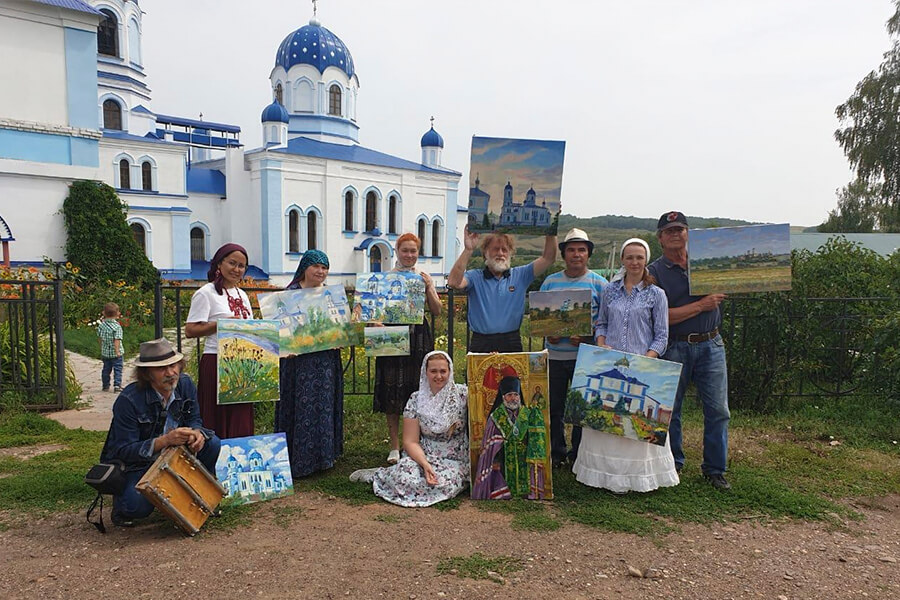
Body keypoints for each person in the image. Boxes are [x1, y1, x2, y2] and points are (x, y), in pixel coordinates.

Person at [572, 238, 678, 493]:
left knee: (635, 419)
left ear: (646, 260)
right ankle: (602, 477)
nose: (634, 262)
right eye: (629, 257)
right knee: (605, 417)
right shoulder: (610, 290)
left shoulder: (656, 295)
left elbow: (662, 335)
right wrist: (601, 344)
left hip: (641, 365)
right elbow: (602, 324)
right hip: (611, 363)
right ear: (622, 260)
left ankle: (636, 479)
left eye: (639, 257)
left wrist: (646, 360)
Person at [648, 211, 731, 490]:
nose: (675, 234)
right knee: (671, 411)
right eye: (669, 230)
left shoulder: (707, 262)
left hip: (711, 343)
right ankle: (673, 463)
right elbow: (659, 317)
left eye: (680, 229)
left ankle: (715, 469)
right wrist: (701, 306)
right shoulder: (653, 273)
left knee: (718, 409)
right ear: (660, 238)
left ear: (688, 234)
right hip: (675, 345)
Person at [99, 338, 220, 527]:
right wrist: (164, 441)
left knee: (212, 442)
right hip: (141, 464)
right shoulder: (128, 400)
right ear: (147, 374)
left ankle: (202, 494)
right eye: (161, 368)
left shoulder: (185, 384)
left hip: (178, 454)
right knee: (136, 507)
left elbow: (195, 419)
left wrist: (196, 433)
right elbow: (121, 451)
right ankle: (122, 503)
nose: (171, 373)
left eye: (174, 366)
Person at [352, 351, 469, 507]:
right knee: (405, 477)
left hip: (453, 458)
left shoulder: (463, 395)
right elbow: (410, 441)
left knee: (442, 482)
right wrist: (425, 465)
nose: (438, 376)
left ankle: (391, 475)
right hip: (422, 454)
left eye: (443, 371)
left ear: (450, 371)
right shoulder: (416, 399)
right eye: (433, 371)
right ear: (425, 372)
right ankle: (381, 475)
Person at [539, 228, 607, 467]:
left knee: (582, 409)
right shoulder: (550, 282)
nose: (576, 254)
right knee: (554, 407)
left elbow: (605, 322)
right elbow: (540, 317)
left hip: (585, 357)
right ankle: (557, 453)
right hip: (555, 356)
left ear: (588, 254)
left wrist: (588, 337)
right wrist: (549, 333)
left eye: (581, 250)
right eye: (571, 250)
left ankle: (579, 454)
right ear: (564, 254)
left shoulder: (600, 284)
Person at [372, 233, 441, 464]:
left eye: (413, 251)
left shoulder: (422, 278)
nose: (409, 255)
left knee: (417, 388)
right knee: (391, 389)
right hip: (391, 335)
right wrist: (376, 322)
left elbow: (437, 309)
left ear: (418, 253)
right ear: (397, 251)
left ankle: (415, 443)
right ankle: (394, 446)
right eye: (405, 251)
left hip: (418, 336)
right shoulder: (385, 279)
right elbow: (373, 311)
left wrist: (430, 287)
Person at [274, 249, 344, 478]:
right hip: (297, 363)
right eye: (316, 266)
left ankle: (323, 457)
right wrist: (286, 344)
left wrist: (340, 337)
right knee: (299, 404)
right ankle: (298, 457)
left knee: (323, 404)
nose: (321, 271)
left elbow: (337, 324)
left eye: (325, 267)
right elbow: (281, 327)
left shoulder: (330, 295)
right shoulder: (290, 294)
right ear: (305, 267)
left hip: (324, 361)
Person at [447, 226, 557, 353]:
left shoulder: (521, 275)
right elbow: (453, 282)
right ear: (485, 253)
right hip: (481, 343)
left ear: (510, 253)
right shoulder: (474, 276)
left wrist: (551, 229)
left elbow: (549, 258)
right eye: (495, 249)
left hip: (511, 341)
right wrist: (468, 249)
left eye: (504, 249)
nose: (500, 253)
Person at [185, 243, 254, 438]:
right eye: (232, 263)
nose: (236, 269)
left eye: (241, 266)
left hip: (243, 364)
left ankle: (238, 462)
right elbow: (190, 330)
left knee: (240, 416)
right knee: (218, 416)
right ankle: (214, 461)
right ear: (219, 264)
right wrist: (219, 324)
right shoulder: (206, 293)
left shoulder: (243, 295)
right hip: (217, 361)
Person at [472, 375, 548, 500]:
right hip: (503, 458)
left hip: (524, 457)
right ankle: (504, 492)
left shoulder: (527, 414)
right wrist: (495, 459)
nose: (513, 398)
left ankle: (528, 492)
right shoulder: (496, 417)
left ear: (519, 396)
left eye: (515, 395)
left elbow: (535, 438)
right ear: (503, 397)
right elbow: (490, 443)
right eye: (509, 395)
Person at [97, 302, 124, 393]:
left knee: (106, 369)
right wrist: (117, 351)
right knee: (118, 369)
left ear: (103, 313)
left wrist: (101, 348)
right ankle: (117, 385)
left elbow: (100, 338)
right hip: (115, 353)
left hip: (105, 353)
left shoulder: (101, 326)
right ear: (117, 314)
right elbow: (117, 340)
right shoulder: (117, 327)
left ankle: (105, 385)